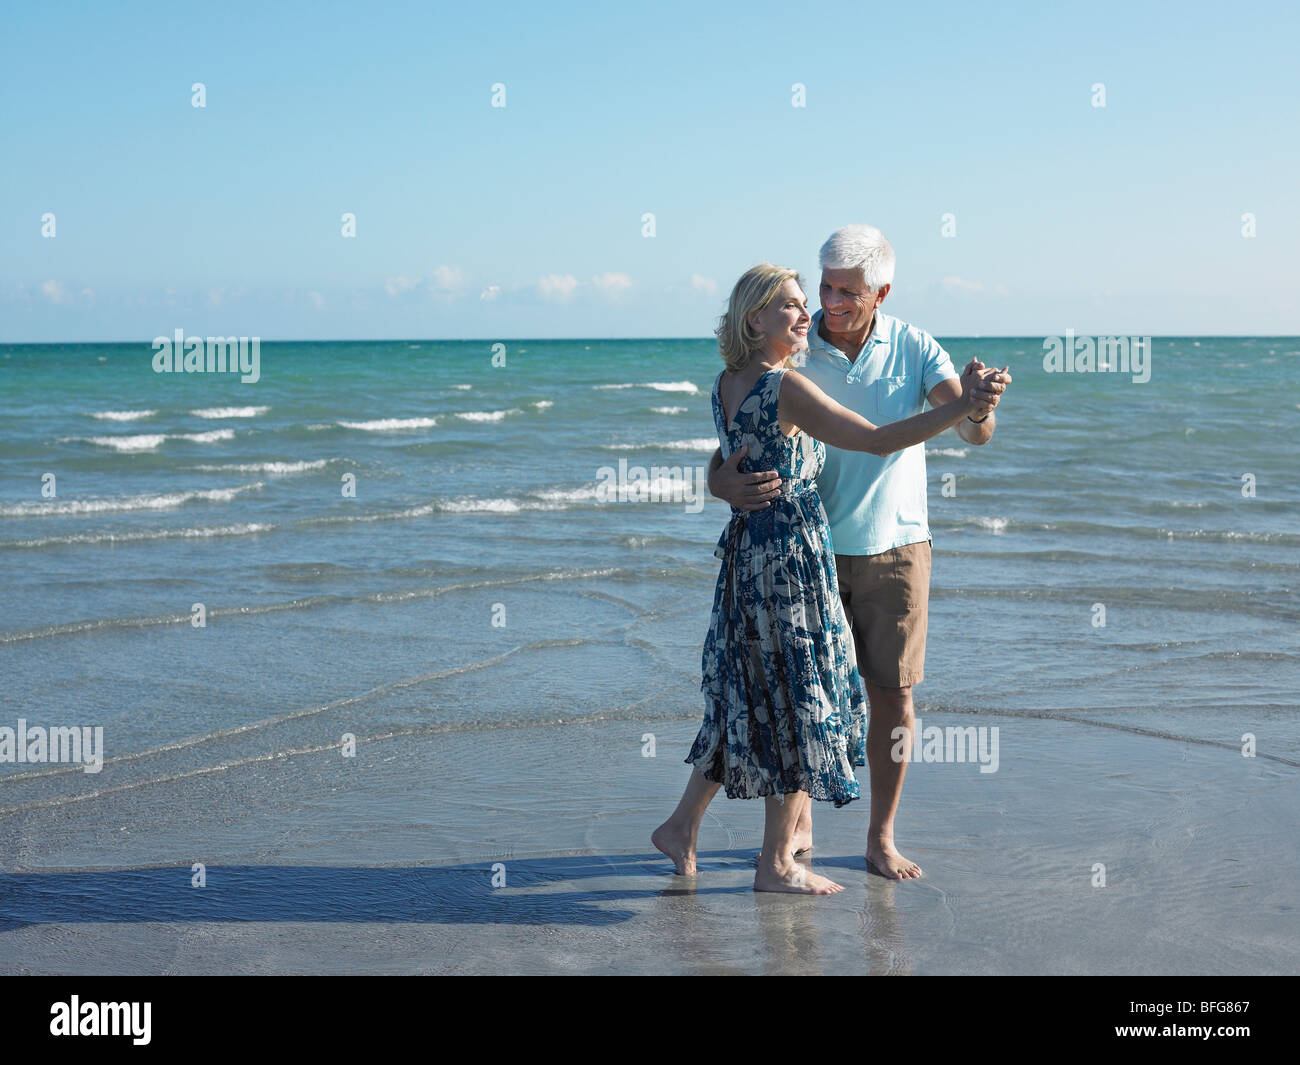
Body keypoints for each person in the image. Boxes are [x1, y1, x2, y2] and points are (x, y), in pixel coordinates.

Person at [651, 263, 997, 895]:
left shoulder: (727, 382)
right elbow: (874, 440)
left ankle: (681, 827)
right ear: (754, 319)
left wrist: (717, 482)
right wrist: (961, 410)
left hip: (747, 560)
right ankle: (777, 863)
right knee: (797, 697)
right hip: (793, 561)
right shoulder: (785, 387)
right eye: (789, 305)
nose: (806, 312)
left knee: (750, 696)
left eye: (805, 302)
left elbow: (732, 457)